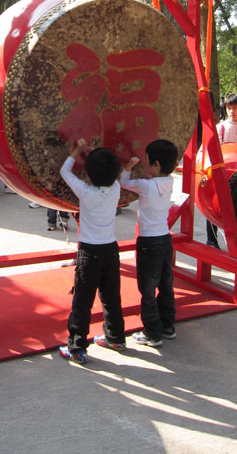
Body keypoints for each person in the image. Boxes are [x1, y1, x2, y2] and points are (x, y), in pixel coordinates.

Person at [58, 138, 125, 364]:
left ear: (89, 173)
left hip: (89, 253)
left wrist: (76, 151)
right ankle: (116, 338)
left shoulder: (85, 192)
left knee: (82, 301)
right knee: (112, 297)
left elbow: (65, 171)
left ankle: (76, 348)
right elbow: (114, 172)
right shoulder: (116, 189)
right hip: (110, 252)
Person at [120, 139, 178, 348]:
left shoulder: (146, 186)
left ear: (156, 165)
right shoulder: (170, 181)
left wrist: (128, 166)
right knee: (165, 285)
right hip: (165, 239)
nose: (145, 164)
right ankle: (167, 326)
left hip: (148, 242)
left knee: (147, 289)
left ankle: (152, 333)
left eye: (147, 161)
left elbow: (123, 182)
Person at [206, 93, 237, 251]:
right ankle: (211, 239)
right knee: (214, 206)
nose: (231, 111)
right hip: (222, 170)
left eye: (235, 108)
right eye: (229, 108)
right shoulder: (221, 127)